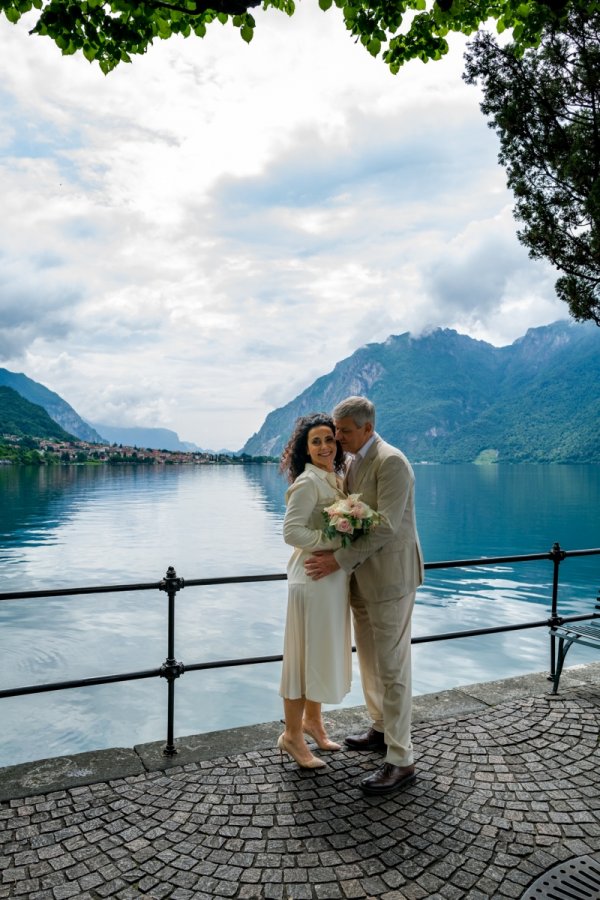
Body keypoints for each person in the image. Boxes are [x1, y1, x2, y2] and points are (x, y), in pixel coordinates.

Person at [305, 396, 424, 795]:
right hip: (362, 579)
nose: (338, 438)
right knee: (371, 662)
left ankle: (401, 760)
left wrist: (338, 559)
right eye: (336, 431)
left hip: (390, 580)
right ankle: (380, 728)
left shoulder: (392, 462)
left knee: (393, 667)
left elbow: (387, 525)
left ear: (367, 428)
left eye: (344, 431)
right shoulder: (354, 460)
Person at [278, 413, 351, 769]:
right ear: (305, 450)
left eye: (329, 440)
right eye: (316, 441)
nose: (324, 446)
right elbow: (291, 532)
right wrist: (330, 542)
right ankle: (291, 736)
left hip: (329, 582)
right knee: (303, 660)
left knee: (318, 655)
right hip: (310, 580)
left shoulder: (334, 480)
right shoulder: (309, 483)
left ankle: (313, 723)